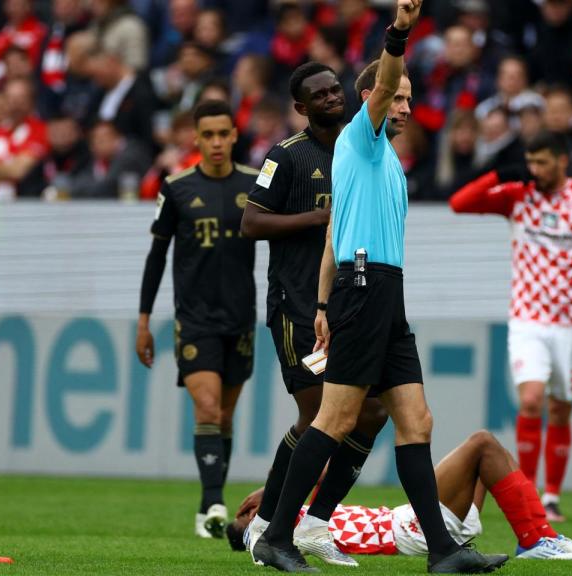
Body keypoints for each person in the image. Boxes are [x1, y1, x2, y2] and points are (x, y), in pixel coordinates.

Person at [249, 2, 507, 573]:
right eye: (398, 97)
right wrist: (400, 32)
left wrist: (321, 302)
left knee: (416, 422)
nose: (406, 107)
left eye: (412, 100)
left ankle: (442, 550)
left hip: (381, 291)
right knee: (335, 420)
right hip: (365, 287)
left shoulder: (384, 159)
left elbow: (333, 237)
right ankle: (277, 537)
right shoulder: (360, 141)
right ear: (373, 100)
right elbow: (386, 76)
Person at [240, 61, 387, 568]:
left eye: (334, 89)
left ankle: (317, 523)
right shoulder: (286, 156)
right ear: (301, 108)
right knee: (317, 415)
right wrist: (320, 217)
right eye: (318, 95)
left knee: (372, 412)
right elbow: (250, 221)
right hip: (297, 307)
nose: (331, 97)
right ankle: (268, 526)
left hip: (348, 307)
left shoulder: (360, 147)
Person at [449, 130, 572, 523]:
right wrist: (497, 174)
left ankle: (551, 495)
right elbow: (460, 203)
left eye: (542, 163)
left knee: (560, 410)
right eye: (530, 162)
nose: (534, 170)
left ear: (562, 161)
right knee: (531, 401)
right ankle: (526, 490)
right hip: (528, 319)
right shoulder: (519, 196)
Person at [135, 100, 258, 538]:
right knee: (205, 407)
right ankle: (212, 505)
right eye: (208, 135)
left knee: (223, 417)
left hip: (241, 317)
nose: (217, 142)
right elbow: (157, 256)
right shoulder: (177, 188)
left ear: (234, 135)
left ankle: (211, 497)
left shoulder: (255, 183)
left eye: (224, 133)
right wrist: (144, 319)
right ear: (195, 138)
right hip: (195, 319)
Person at [228, 430, 572, 561]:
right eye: (245, 512)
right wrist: (267, 494)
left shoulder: (302, 514)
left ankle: (539, 537)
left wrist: (272, 488)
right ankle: (537, 539)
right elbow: (303, 471)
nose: (251, 506)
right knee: (482, 444)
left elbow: (318, 470)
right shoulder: (271, 532)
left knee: (491, 455)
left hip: (414, 522)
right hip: (409, 529)